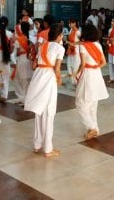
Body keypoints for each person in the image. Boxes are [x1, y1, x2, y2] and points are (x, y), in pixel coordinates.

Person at [24, 23, 65, 158]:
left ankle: (37, 144)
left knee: (39, 110)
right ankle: (48, 149)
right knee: (48, 111)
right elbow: (57, 68)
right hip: (48, 78)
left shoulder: (42, 46)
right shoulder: (59, 48)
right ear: (59, 36)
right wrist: (59, 79)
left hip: (38, 76)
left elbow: (35, 64)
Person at [75, 24, 108, 140]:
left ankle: (91, 127)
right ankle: (95, 129)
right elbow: (104, 62)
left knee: (80, 103)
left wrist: (76, 73)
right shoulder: (98, 45)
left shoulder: (83, 46)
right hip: (97, 73)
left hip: (88, 74)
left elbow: (83, 64)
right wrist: (95, 67)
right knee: (93, 104)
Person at [13, 21, 34, 106]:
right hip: (29, 59)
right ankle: (27, 98)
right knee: (28, 79)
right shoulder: (31, 38)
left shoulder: (19, 39)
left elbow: (17, 52)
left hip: (22, 59)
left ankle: (24, 98)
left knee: (21, 79)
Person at [66, 18, 81, 87]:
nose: (69, 24)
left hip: (76, 50)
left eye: (70, 23)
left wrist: (73, 44)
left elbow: (81, 42)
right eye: (69, 23)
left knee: (76, 65)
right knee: (69, 65)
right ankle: (73, 81)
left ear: (74, 23)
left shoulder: (78, 32)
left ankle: (77, 81)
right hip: (70, 50)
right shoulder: (71, 30)